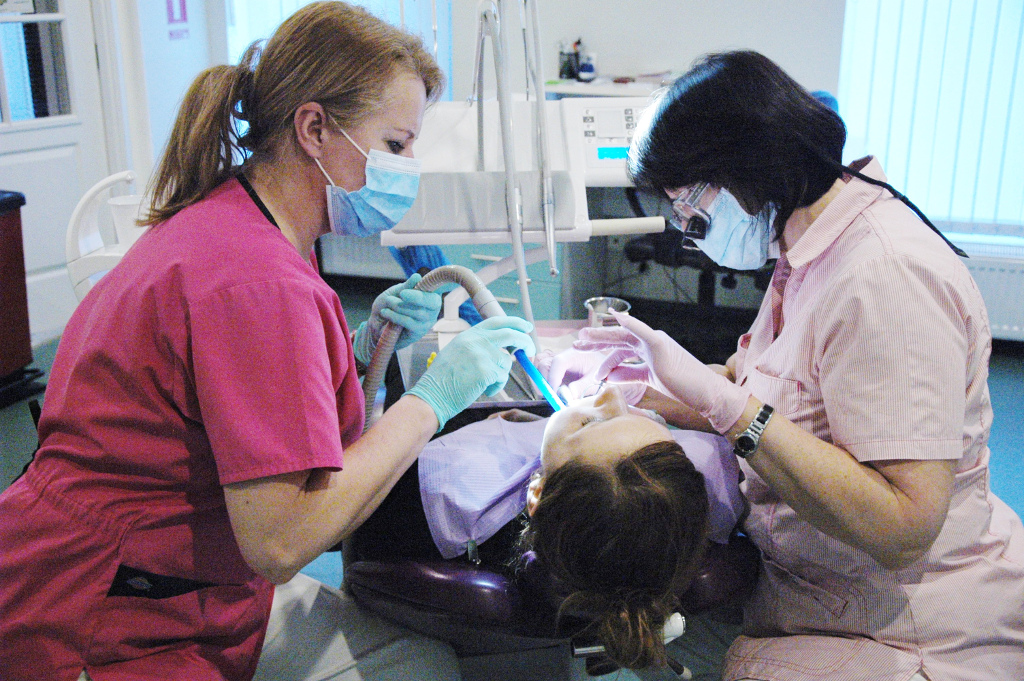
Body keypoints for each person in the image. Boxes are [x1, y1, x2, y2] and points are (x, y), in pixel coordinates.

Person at [0, 4, 535, 681]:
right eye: (396, 145)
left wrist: (356, 348)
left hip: (168, 579)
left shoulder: (241, 221)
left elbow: (233, 391)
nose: (409, 167)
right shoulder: (257, 281)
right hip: (106, 617)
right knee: (418, 669)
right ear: (314, 128)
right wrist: (432, 400)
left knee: (414, 655)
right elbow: (282, 541)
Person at [553, 51, 1024, 680]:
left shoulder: (887, 278)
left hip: (904, 626)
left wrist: (723, 404)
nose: (687, 228)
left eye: (688, 205)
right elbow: (767, 385)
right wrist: (635, 393)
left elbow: (904, 526)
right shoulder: (805, 249)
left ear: (749, 166)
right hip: (804, 588)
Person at [352, 384, 747, 671]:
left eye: (589, 422)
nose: (612, 393)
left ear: (536, 492)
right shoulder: (645, 539)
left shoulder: (423, 497)